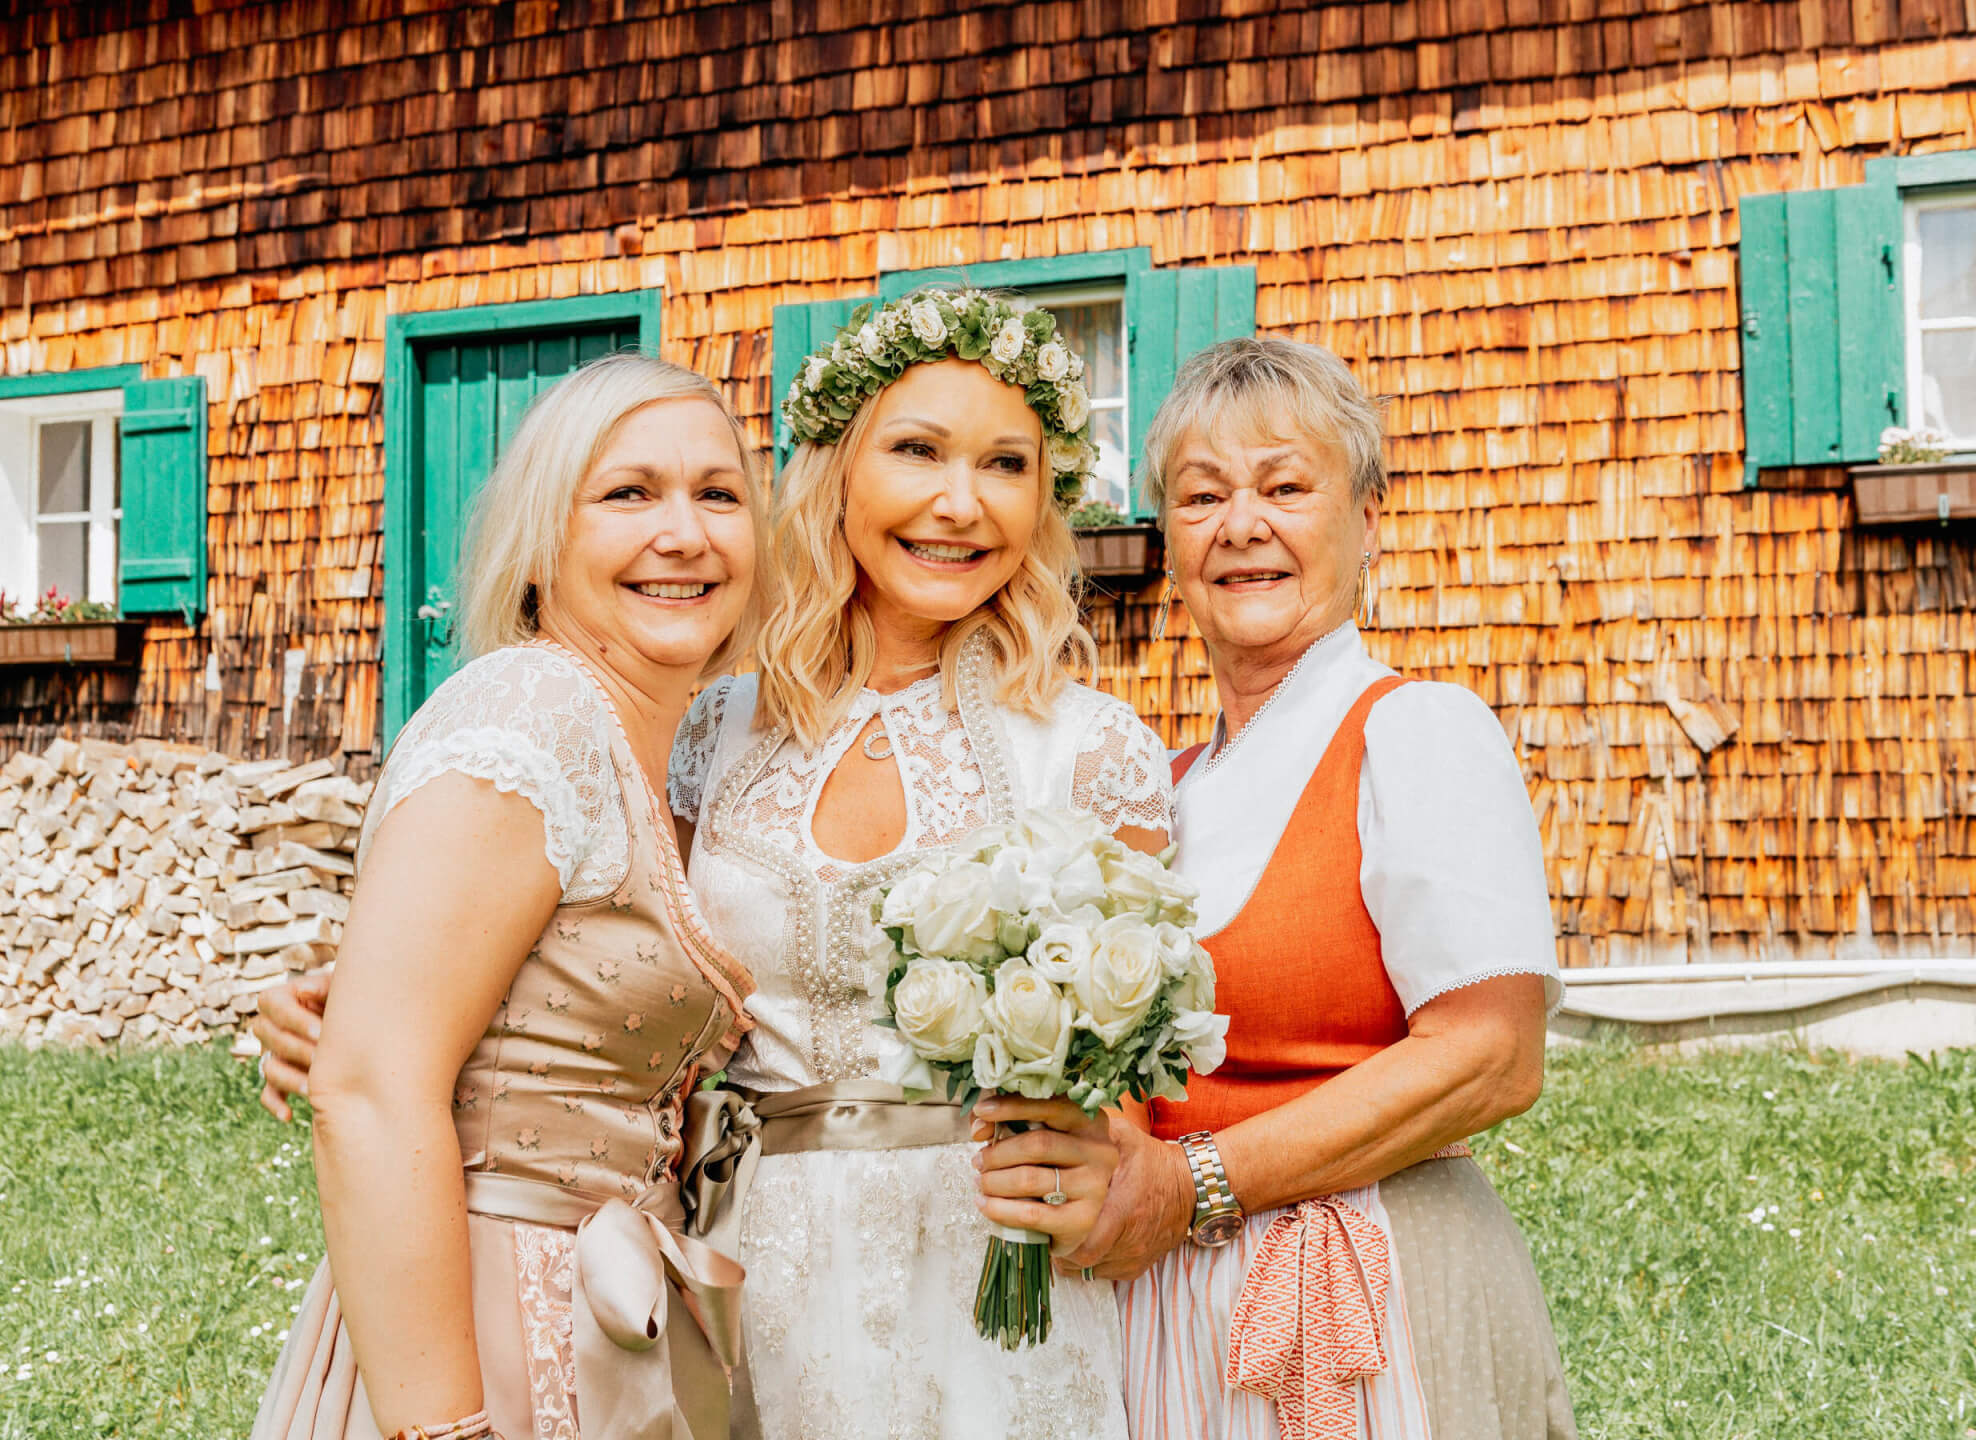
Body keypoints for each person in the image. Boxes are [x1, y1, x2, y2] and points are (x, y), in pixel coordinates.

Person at [666, 286, 1169, 1437]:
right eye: (917, 451)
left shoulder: (1091, 752)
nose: (960, 503)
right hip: (744, 1267)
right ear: (836, 468)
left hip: (986, 1292)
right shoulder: (711, 731)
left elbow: (1131, 1112)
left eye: (1004, 465)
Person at [252, 354, 765, 1440]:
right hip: (476, 1321)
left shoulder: (661, 747)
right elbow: (371, 1091)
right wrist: (448, 1428)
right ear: (541, 540)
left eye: (717, 494)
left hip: (598, 1314)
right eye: (628, 493)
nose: (684, 534)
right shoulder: (533, 712)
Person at [1077, 338, 1578, 1440]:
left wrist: (1193, 1184)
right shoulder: (1156, 788)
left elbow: (1490, 1056)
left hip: (1371, 1292)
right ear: (1168, 543)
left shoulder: (1414, 730)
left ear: (1367, 520)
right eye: (1201, 496)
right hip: (1167, 1317)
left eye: (1285, 487)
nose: (1240, 525)